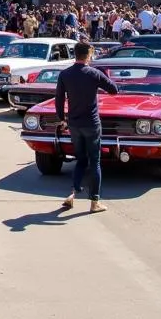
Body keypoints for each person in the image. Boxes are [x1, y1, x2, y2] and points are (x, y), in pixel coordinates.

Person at [54, 42, 119, 213]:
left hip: (74, 124)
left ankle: (73, 194)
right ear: (89, 55)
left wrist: (62, 118)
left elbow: (59, 98)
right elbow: (114, 89)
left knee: (81, 160)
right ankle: (94, 202)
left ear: (74, 54)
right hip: (91, 123)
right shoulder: (94, 73)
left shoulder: (65, 74)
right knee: (95, 162)